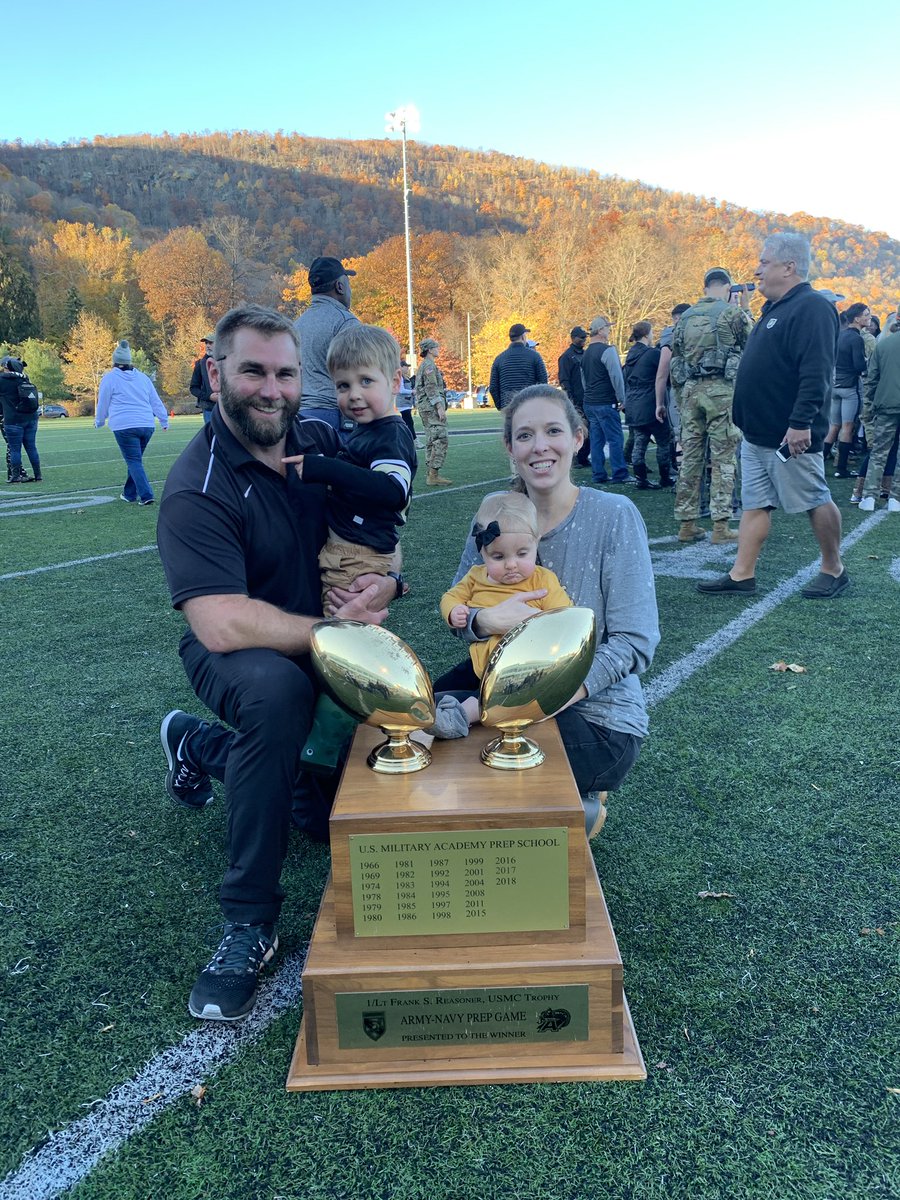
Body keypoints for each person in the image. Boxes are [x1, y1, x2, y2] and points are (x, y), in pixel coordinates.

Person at [156, 304, 394, 1022]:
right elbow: (221, 622)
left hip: (323, 633)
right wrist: (332, 631)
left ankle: (200, 747)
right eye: (253, 370)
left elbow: (377, 525)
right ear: (216, 372)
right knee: (277, 696)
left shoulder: (319, 440)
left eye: (285, 373)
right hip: (239, 654)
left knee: (325, 819)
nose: (271, 389)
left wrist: (390, 583)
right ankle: (247, 922)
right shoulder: (196, 486)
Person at [436, 383, 659, 838]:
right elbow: (461, 605)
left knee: (483, 765)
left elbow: (636, 642)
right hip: (499, 679)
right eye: (525, 435)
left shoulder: (614, 515)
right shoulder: (493, 515)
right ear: (510, 447)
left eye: (553, 431)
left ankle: (578, 803)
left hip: (594, 710)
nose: (540, 446)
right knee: (415, 720)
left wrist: (549, 697)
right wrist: (483, 621)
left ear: (577, 438)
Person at [698, 233, 847, 599]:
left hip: (788, 435)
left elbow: (817, 372)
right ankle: (741, 574)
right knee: (755, 504)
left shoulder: (811, 306)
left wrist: (799, 423)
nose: (757, 269)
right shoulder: (776, 308)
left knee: (814, 498)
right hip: (757, 435)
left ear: (789, 266)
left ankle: (834, 568)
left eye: (764, 262)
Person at [286, 323, 415, 604]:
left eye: (366, 381)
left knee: (342, 625)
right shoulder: (368, 429)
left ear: (394, 382)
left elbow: (393, 491)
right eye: (343, 385)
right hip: (348, 545)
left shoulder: (390, 434)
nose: (354, 393)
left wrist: (325, 468)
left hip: (358, 552)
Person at [435, 492, 572, 731]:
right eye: (498, 556)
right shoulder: (475, 576)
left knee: (492, 696)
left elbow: (565, 617)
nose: (511, 564)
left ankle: (461, 717)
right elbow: (450, 597)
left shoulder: (542, 580)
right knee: (437, 687)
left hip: (519, 667)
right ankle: (431, 708)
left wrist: (539, 622)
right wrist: (453, 611)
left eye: (522, 554)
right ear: (482, 552)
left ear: (536, 543)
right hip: (481, 662)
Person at [670, 269, 753, 544]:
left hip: (691, 392)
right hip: (721, 392)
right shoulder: (731, 314)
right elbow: (752, 343)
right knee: (723, 458)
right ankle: (721, 526)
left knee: (691, 458)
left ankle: (687, 524)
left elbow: (676, 357)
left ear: (705, 286)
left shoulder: (685, 318)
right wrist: (746, 308)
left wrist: (681, 397)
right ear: (728, 287)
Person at [95, 340, 168, 505]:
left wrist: (99, 421)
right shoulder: (143, 378)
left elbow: (103, 403)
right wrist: (163, 419)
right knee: (135, 459)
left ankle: (146, 494)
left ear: (115, 361)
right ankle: (129, 494)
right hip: (146, 424)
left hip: (124, 425)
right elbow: (155, 401)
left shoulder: (110, 378)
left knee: (133, 461)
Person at [293, 256, 359, 432]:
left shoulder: (295, 325)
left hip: (298, 418)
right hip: (335, 417)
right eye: (348, 284)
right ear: (340, 286)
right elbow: (359, 374)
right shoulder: (345, 322)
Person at [581, 316, 634, 485]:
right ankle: (620, 473)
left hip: (590, 402)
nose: (609, 330)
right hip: (605, 402)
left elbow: (584, 380)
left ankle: (599, 474)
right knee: (615, 439)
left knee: (596, 440)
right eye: (607, 328)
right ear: (601, 330)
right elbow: (616, 376)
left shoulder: (586, 353)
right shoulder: (607, 350)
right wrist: (622, 398)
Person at [623, 322, 674, 490]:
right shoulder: (653, 354)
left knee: (639, 442)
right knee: (663, 441)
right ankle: (665, 477)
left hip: (633, 405)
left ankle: (641, 479)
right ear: (646, 335)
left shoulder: (630, 354)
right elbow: (664, 375)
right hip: (650, 403)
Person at [858, 326, 900, 511]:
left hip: (885, 404)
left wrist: (869, 405)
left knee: (879, 452)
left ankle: (869, 496)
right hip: (887, 403)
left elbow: (871, 378)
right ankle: (896, 499)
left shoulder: (883, 344)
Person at [825, 302, 870, 476]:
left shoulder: (840, 336)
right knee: (848, 426)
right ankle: (841, 468)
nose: (868, 317)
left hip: (835, 386)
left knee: (833, 426)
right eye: (866, 314)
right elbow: (858, 365)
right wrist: (867, 364)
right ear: (857, 319)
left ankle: (820, 465)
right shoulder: (857, 338)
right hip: (850, 388)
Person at [655, 303, 691, 479]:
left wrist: (659, 402)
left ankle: (685, 480)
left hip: (680, 394)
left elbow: (662, 372)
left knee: (681, 438)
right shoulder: (704, 332)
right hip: (704, 392)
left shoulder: (671, 335)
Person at [415, 337, 451, 485]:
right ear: (429, 350)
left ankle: (431, 474)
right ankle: (433, 474)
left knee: (431, 440)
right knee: (440, 438)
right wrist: (439, 407)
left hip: (425, 407)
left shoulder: (426, 365)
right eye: (436, 347)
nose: (438, 349)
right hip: (430, 408)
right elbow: (431, 387)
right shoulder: (429, 366)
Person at [0, 355, 41, 483]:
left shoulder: (2, 380)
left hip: (13, 419)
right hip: (31, 418)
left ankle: (15, 476)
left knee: (14, 449)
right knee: (31, 448)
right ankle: (38, 475)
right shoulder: (25, 378)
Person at [489, 323, 548, 410]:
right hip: (529, 404)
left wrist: (501, 406)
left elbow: (493, 387)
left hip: (508, 405)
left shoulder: (499, 359)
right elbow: (543, 382)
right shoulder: (535, 356)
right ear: (523, 337)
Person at [557, 326, 591, 468]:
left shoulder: (585, 354)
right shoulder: (566, 356)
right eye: (581, 337)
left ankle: (584, 457)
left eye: (585, 337)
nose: (584, 340)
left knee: (588, 430)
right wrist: (570, 399)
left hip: (588, 397)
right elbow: (564, 379)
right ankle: (575, 458)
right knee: (576, 430)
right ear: (573, 338)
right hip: (575, 399)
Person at [189, 334, 217, 425]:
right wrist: (209, 396)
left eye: (211, 343)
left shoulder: (228, 361)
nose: (208, 345)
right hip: (209, 409)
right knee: (212, 436)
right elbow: (194, 388)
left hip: (228, 408)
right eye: (206, 343)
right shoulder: (200, 364)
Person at [396, 357, 420, 446]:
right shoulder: (400, 377)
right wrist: (412, 391)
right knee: (409, 422)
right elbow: (400, 390)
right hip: (403, 403)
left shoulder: (404, 377)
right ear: (401, 367)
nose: (407, 368)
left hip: (406, 403)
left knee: (408, 422)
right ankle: (414, 441)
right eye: (406, 366)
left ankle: (408, 440)